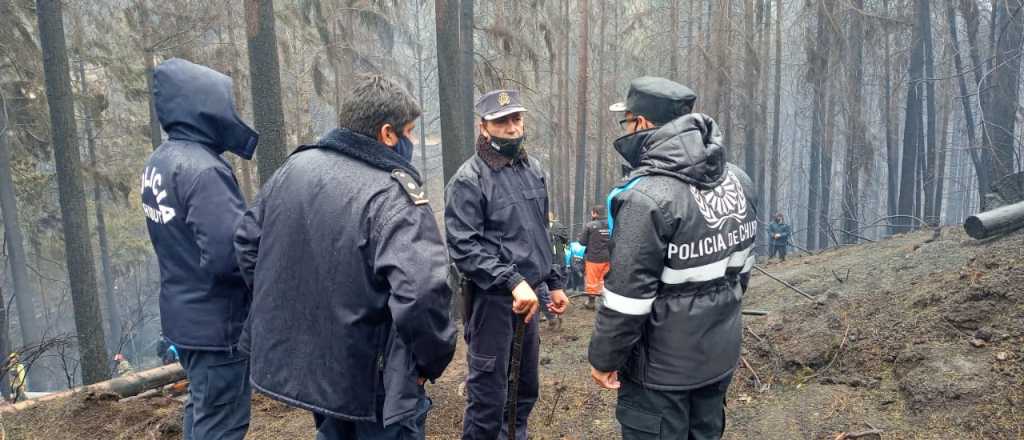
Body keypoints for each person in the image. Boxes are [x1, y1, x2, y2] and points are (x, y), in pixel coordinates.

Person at [234, 75, 456, 440]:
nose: (412, 141)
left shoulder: (293, 169)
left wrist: (297, 317)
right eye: (410, 132)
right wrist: (430, 360)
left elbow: (246, 244)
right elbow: (422, 294)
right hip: (376, 378)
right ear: (388, 134)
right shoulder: (394, 197)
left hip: (320, 371)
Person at [589, 77, 758, 440]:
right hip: (717, 358)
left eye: (628, 121)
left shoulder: (646, 199)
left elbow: (626, 300)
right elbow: (741, 272)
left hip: (659, 376)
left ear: (643, 124)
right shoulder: (738, 181)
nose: (628, 129)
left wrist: (604, 359)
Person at [445, 89, 570, 439]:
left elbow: (549, 230)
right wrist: (512, 280)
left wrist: (555, 281)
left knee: (524, 391)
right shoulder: (469, 180)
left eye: (516, 119)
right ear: (484, 127)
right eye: (502, 121)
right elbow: (463, 246)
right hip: (492, 303)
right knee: (489, 398)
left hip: (531, 302)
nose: (512, 128)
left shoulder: (534, 170)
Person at [141, 58, 255, 440]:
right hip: (218, 325)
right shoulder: (204, 170)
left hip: (185, 317)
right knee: (222, 421)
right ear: (203, 106)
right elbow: (229, 255)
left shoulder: (161, 160)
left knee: (202, 407)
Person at [579, 206, 611, 310]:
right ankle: (605, 302)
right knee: (604, 280)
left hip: (594, 258)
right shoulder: (611, 224)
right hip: (608, 257)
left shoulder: (590, 225)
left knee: (592, 281)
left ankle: (591, 303)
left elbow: (582, 242)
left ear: (595, 213)